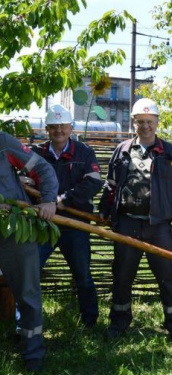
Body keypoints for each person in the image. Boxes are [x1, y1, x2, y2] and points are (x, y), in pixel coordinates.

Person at [99, 98, 172, 342]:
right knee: (122, 275)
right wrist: (104, 211)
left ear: (157, 122)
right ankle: (119, 323)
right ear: (134, 123)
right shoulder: (123, 149)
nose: (146, 126)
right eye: (141, 122)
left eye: (150, 121)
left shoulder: (168, 152)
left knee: (167, 277)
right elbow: (111, 184)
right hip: (127, 222)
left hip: (158, 225)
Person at [30, 104, 103, 328]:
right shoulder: (37, 153)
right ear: (47, 129)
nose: (58, 131)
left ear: (70, 128)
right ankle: (27, 323)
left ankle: (90, 322)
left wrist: (63, 200)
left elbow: (94, 182)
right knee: (30, 273)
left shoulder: (84, 152)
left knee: (83, 275)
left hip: (75, 223)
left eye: (63, 126)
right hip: (42, 223)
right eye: (54, 127)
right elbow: (23, 180)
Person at [0, 131, 58, 372]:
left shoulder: (3, 142)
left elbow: (42, 169)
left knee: (27, 291)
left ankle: (32, 352)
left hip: (15, 229)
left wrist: (48, 200)